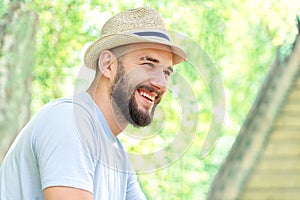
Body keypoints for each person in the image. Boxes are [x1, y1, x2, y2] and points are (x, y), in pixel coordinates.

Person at [0, 7, 186, 200]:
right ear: (108, 64)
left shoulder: (118, 157)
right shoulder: (69, 121)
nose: (161, 83)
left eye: (166, 73)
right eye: (148, 64)